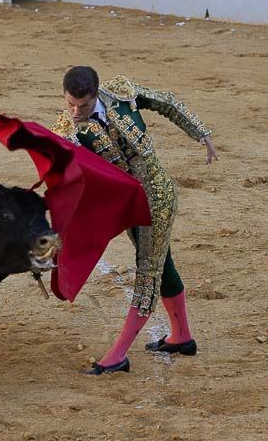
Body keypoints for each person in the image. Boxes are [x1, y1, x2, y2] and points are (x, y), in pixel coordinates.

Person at [51, 67, 217, 375]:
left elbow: (165, 102)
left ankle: (117, 355)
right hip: (127, 206)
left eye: (83, 106)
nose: (75, 112)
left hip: (157, 196)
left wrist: (201, 132)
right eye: (70, 104)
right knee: (162, 264)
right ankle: (182, 336)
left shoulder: (119, 93)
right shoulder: (65, 130)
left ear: (96, 94)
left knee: (148, 272)